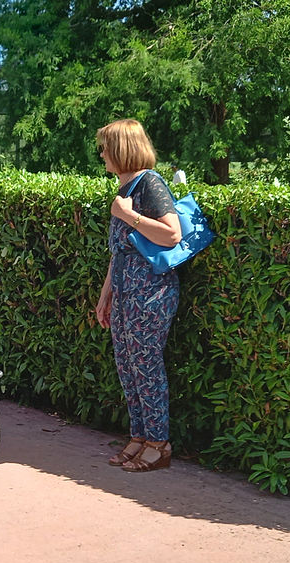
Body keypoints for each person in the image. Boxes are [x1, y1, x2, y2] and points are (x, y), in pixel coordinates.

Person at [95, 119, 183, 472]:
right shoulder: (127, 188)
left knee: (146, 367)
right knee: (127, 366)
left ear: (120, 149)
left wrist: (129, 216)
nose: (101, 154)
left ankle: (159, 443)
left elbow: (172, 234)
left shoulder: (150, 184)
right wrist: (106, 294)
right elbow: (119, 251)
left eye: (105, 147)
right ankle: (139, 436)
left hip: (150, 291)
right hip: (126, 289)